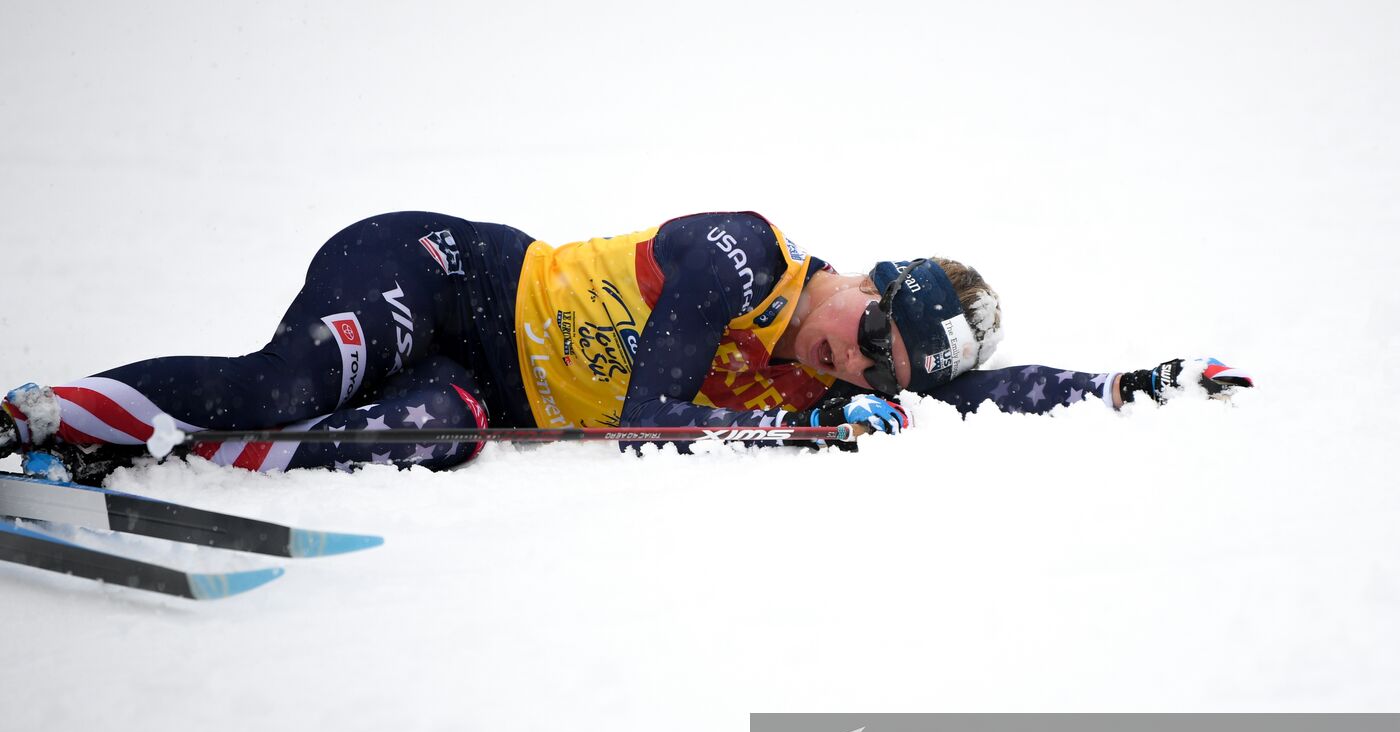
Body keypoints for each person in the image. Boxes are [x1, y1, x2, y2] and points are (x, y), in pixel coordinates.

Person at [0, 211, 1252, 484]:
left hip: (484, 378)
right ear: (868, 275)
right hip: (439, 275)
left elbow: (985, 396)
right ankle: (38, 413)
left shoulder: (804, 371)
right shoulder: (742, 252)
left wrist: (1117, 385)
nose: (854, 357)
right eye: (871, 327)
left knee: (430, 439)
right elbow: (652, 408)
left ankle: (129, 461)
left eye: (879, 370)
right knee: (290, 380)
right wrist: (796, 427)